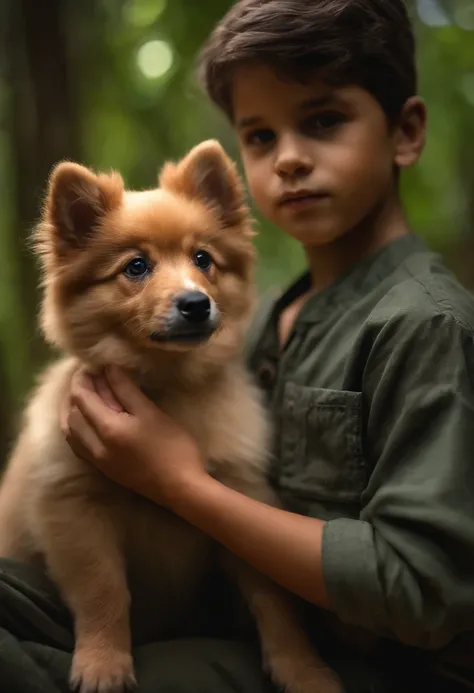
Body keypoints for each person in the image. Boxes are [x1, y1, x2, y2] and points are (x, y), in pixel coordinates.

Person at [2, 1, 474, 691]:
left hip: (386, 661)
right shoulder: (279, 319)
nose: (287, 158)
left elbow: (423, 590)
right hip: (227, 615)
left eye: (323, 121)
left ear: (405, 132)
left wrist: (181, 482)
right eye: (258, 136)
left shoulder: (427, 326)